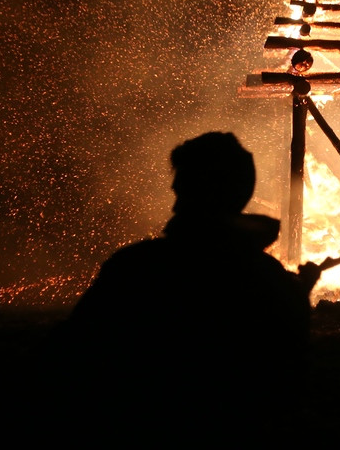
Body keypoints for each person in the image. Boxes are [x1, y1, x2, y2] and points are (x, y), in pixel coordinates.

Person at [56, 132, 318, 442]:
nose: (173, 188)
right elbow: (288, 371)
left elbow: (72, 360)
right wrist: (300, 291)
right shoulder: (267, 277)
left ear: (184, 188)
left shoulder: (137, 267)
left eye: (181, 180)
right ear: (240, 193)